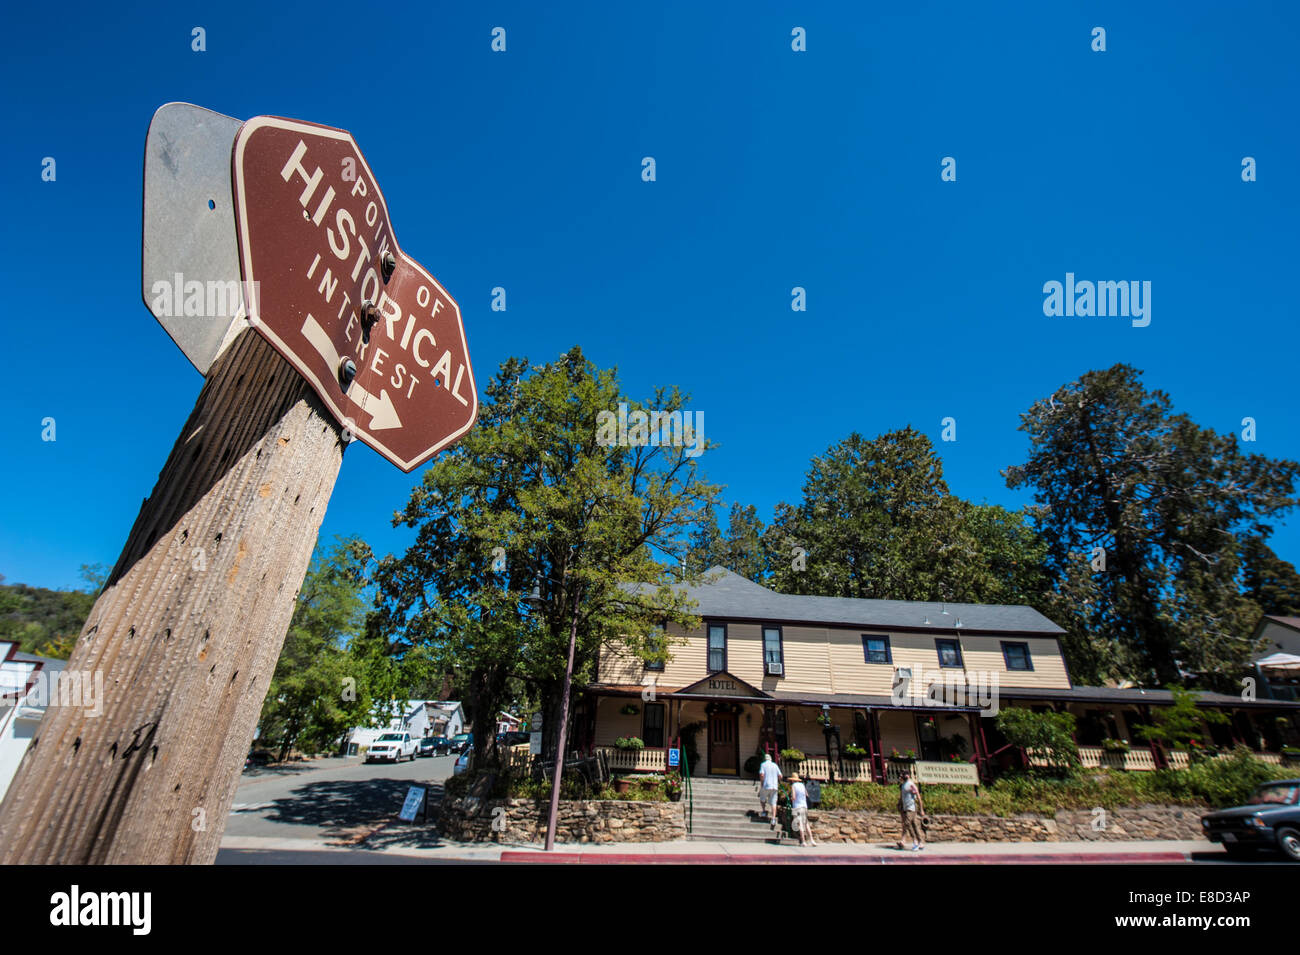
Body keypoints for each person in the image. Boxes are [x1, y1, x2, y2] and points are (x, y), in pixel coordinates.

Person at [898, 770, 924, 851]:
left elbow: (918, 797)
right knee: (914, 825)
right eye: (903, 774)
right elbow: (902, 797)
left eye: (905, 774)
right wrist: (900, 805)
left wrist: (921, 809)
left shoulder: (911, 785)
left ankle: (915, 841)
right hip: (906, 808)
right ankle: (920, 842)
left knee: (907, 823)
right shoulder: (903, 786)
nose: (903, 776)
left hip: (911, 808)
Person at [789, 773, 817, 846]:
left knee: (800, 824)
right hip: (804, 806)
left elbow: (794, 797)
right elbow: (807, 794)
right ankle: (811, 840)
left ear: (792, 780)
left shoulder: (793, 786)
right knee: (806, 823)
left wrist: (791, 798)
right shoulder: (802, 785)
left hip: (797, 806)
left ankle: (803, 841)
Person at [757, 751, 782, 827]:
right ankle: (773, 818)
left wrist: (762, 782)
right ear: (771, 759)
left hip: (766, 785)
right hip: (774, 786)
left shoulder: (763, 765)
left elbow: (761, 774)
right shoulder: (775, 765)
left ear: (765, 759)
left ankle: (764, 811)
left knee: (762, 798)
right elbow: (780, 775)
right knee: (774, 803)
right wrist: (778, 781)